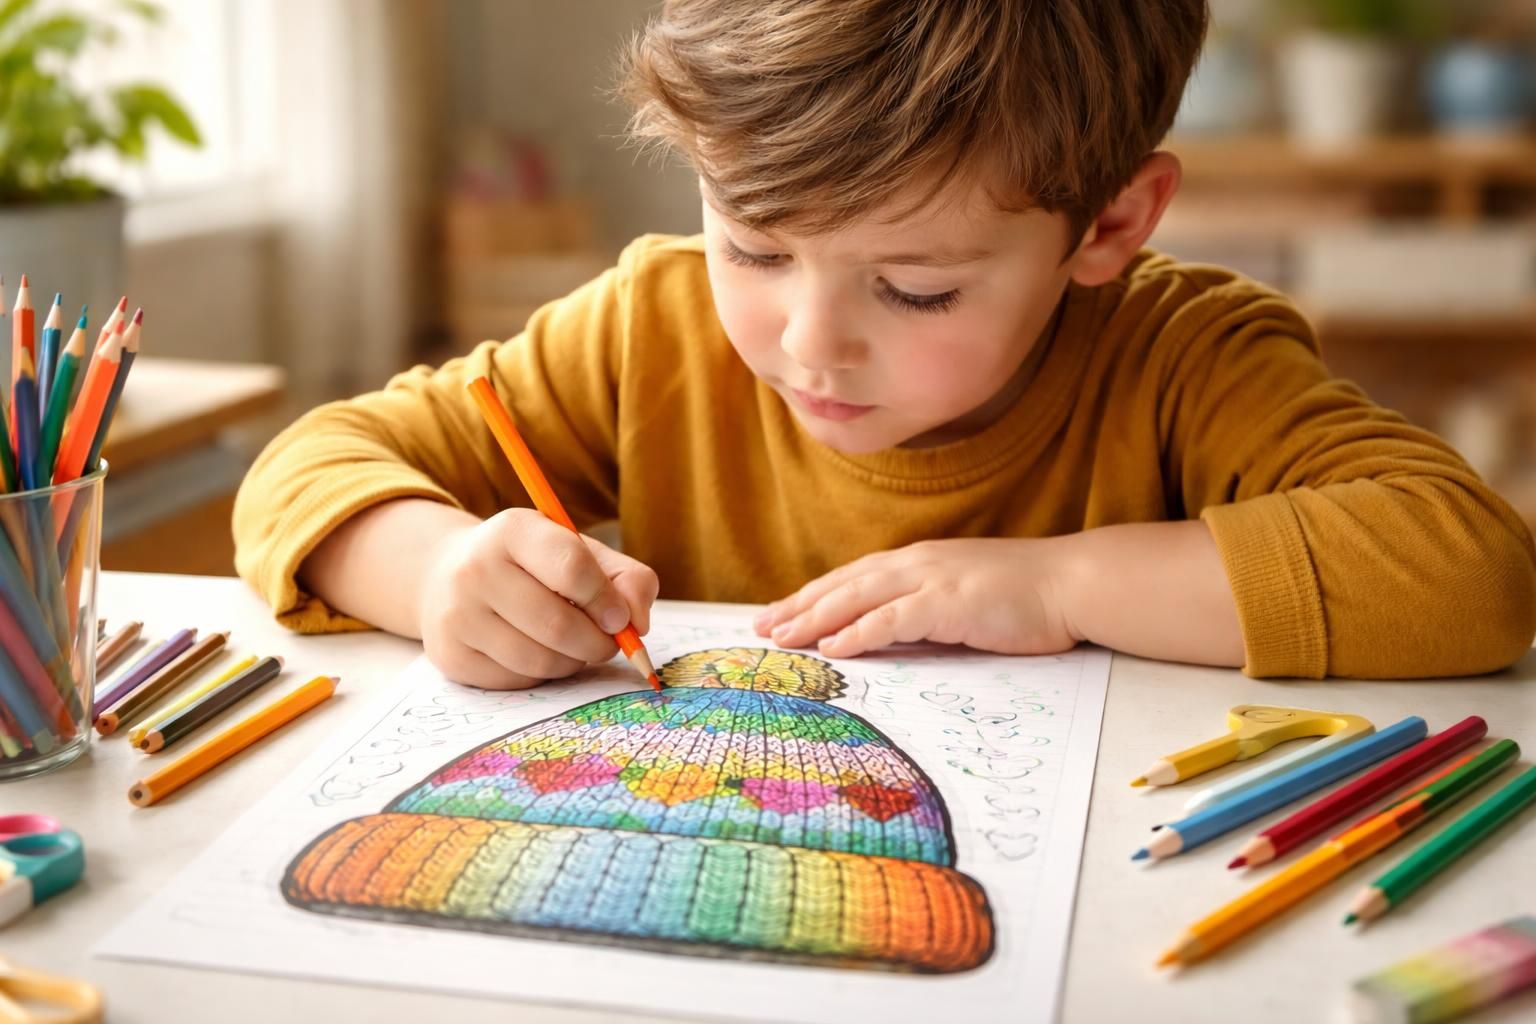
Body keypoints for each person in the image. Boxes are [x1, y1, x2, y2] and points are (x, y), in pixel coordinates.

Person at [234, 0, 1535, 688]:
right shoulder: (653, 329)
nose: (807, 345)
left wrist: (1056, 588)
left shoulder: (1183, 360)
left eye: (914, 291)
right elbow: (311, 465)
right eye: (754, 248)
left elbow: (1467, 571)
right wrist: (438, 570)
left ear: (1111, 221)